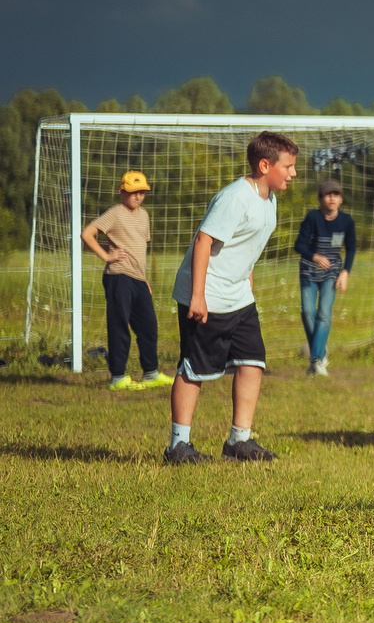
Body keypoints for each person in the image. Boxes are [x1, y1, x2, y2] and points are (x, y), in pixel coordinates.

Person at [167, 133, 298, 464]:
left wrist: (248, 280)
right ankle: (177, 446)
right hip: (207, 293)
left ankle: (239, 441)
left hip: (238, 295)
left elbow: (248, 245)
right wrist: (197, 296)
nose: (293, 173)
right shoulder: (235, 197)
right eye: (289, 166)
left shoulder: (269, 199)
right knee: (194, 368)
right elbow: (203, 242)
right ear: (264, 165)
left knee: (252, 362)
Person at [82, 170, 169, 392]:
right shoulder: (115, 213)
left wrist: (145, 279)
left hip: (138, 279)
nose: (138, 197)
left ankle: (151, 373)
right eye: (133, 193)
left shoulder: (144, 215)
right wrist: (107, 256)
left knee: (148, 327)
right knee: (119, 326)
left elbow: (139, 248)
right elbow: (87, 234)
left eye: (142, 192)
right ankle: (118, 377)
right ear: (121, 192)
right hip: (118, 277)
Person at [293, 179, 357, 376]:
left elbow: (351, 248)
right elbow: (299, 245)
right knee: (308, 312)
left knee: (324, 314)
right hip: (309, 272)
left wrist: (345, 272)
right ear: (320, 198)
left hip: (331, 273)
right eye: (328, 194)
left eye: (336, 194)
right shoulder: (312, 218)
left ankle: (317, 359)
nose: (332, 198)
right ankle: (320, 350)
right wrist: (315, 256)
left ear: (341, 199)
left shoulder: (346, 221)